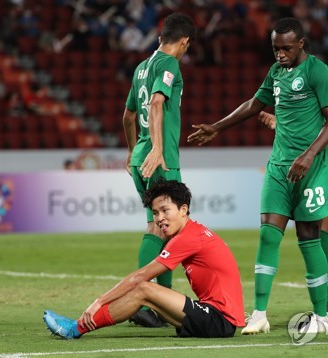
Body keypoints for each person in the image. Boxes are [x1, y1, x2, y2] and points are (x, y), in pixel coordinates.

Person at [188, 17, 328, 334]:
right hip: (279, 167)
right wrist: (216, 126)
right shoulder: (276, 72)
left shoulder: (317, 71)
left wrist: (309, 155)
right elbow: (255, 104)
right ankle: (259, 314)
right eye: (275, 48)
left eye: (285, 48)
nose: (280, 54)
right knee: (269, 234)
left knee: (309, 239)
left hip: (311, 168)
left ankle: (322, 317)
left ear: (301, 44)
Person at [43, 179, 245, 339]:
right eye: (155, 213)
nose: (159, 218)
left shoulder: (187, 238)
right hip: (215, 316)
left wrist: (99, 301)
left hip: (220, 320)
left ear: (183, 210)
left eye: (165, 210)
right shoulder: (193, 232)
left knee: (143, 288)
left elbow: (140, 277)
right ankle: (76, 327)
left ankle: (75, 328)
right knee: (148, 294)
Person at [258, 99, 328, 323]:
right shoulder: (304, 77)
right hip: (327, 154)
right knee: (319, 233)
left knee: (319, 232)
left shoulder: (315, 77)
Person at [122, 12, 196, 327]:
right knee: (164, 229)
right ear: (185, 42)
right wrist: (156, 147)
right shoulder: (169, 64)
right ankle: (147, 302)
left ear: (158, 37)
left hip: (141, 158)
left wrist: (132, 152)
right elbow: (155, 103)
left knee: (164, 230)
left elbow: (127, 116)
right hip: (160, 159)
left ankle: (159, 307)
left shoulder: (142, 68)